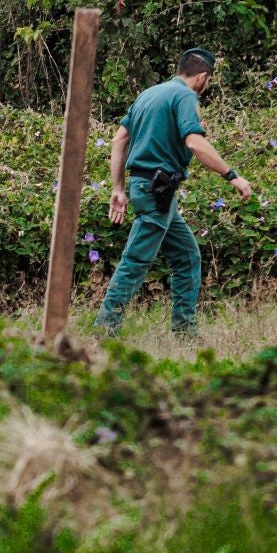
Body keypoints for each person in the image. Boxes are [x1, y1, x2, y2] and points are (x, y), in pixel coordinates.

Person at [93, 48, 251, 340]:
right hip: (157, 191)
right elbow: (195, 143)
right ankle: (104, 329)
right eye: (208, 81)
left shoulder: (149, 94)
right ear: (203, 76)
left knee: (187, 256)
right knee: (136, 260)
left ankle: (185, 331)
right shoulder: (186, 97)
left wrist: (118, 188)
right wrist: (233, 176)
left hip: (149, 188)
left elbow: (119, 140)